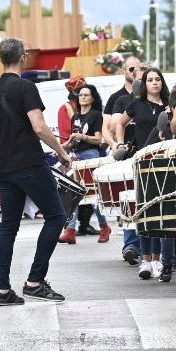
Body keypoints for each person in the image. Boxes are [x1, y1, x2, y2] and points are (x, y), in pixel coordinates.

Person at [0, 38, 73, 305]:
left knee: (8, 227)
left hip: (4, 166)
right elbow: (40, 127)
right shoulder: (26, 87)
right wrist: (62, 152)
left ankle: (2, 290)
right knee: (56, 217)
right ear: (22, 56)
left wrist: (6, 144)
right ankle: (34, 281)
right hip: (30, 164)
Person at [115, 67, 171, 279]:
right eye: (150, 80)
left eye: (158, 79)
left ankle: (157, 259)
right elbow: (119, 122)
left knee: (158, 210)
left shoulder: (168, 104)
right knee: (144, 211)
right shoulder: (136, 104)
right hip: (142, 160)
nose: (154, 83)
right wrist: (120, 143)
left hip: (163, 160)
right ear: (144, 84)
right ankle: (145, 260)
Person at [103, 55, 144, 265]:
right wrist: (116, 146)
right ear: (124, 72)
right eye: (131, 69)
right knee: (129, 198)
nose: (134, 72)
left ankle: (149, 248)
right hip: (127, 154)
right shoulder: (117, 98)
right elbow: (108, 127)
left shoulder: (151, 93)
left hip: (146, 151)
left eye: (138, 68)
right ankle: (130, 244)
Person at [58, 83, 112, 243]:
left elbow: (99, 139)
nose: (82, 97)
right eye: (80, 95)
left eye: (86, 95)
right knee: (73, 194)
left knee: (93, 195)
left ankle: (103, 227)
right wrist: (61, 149)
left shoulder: (96, 115)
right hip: (76, 157)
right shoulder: (75, 117)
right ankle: (70, 230)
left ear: (93, 98)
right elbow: (72, 140)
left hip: (90, 156)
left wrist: (83, 137)